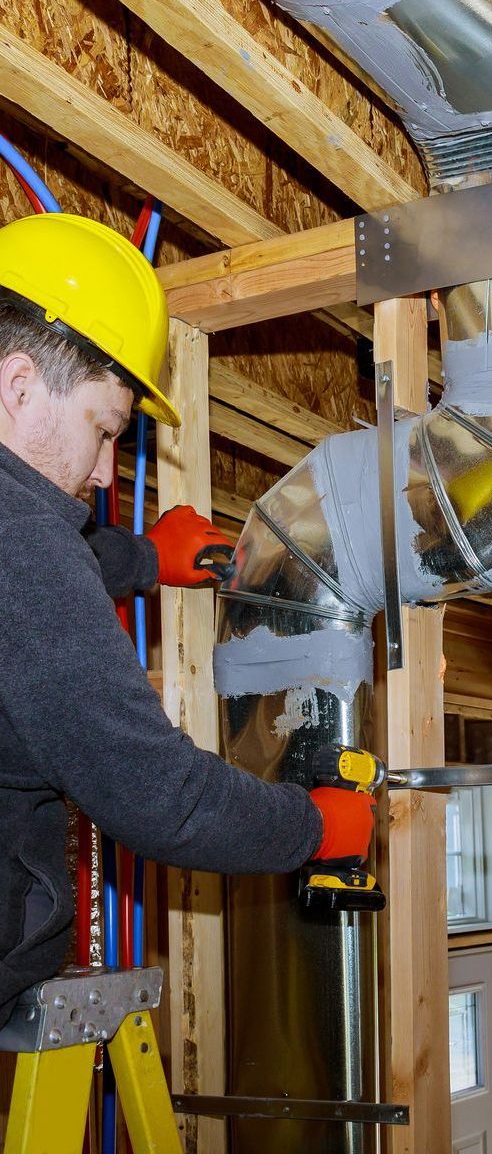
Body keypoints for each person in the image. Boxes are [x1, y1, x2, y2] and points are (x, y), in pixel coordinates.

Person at [0, 212, 374, 1024]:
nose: (105, 472)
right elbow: (160, 796)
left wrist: (145, 562)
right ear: (18, 384)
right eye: (105, 430)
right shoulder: (24, 541)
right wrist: (312, 826)